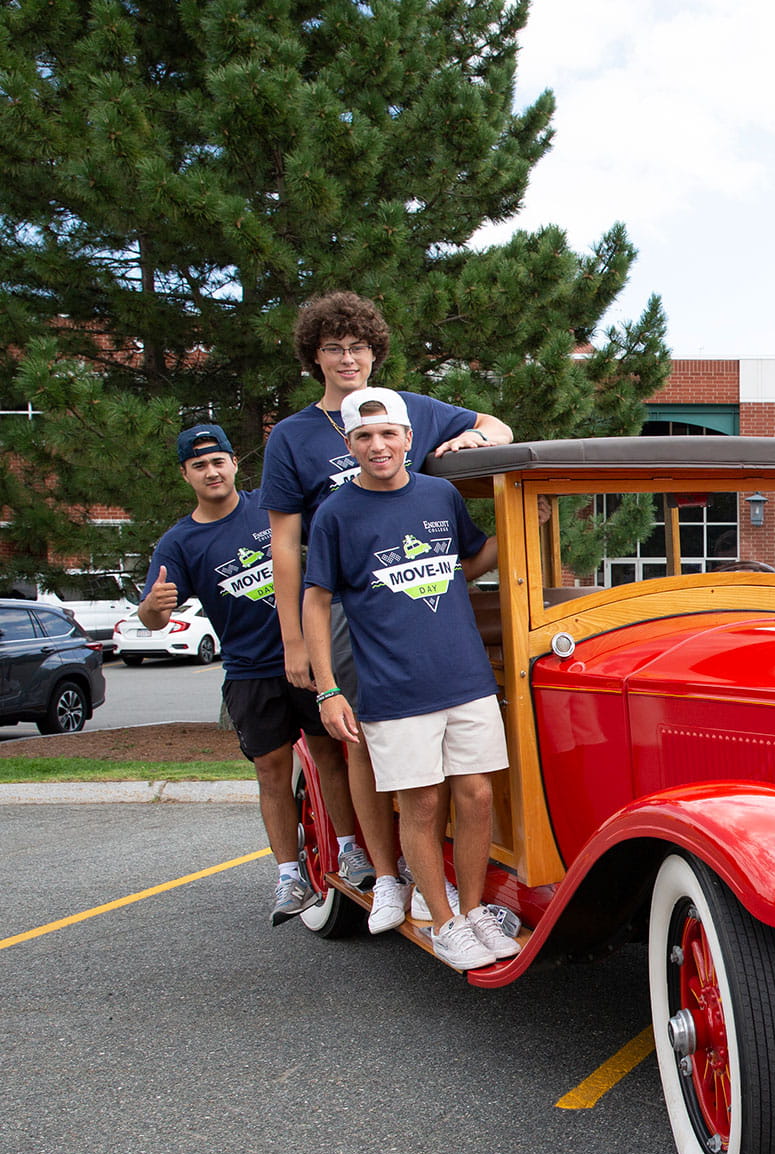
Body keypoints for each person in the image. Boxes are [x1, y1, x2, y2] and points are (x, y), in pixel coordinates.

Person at [259, 291, 512, 925]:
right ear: (313, 356)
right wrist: (293, 636)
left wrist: (469, 440)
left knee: (446, 757)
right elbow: (286, 544)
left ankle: (439, 875)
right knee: (367, 741)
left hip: (422, 596)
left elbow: (499, 428)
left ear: (375, 353)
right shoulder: (292, 436)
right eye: (334, 348)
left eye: (359, 347)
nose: (348, 358)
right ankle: (390, 873)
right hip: (348, 598)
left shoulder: (413, 411)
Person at [301, 389, 517, 973]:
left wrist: (521, 529)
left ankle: (470, 912)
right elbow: (316, 601)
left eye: (388, 434)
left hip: (465, 676)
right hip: (391, 687)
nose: (378, 445)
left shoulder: (439, 493)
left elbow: (463, 562)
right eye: (364, 437)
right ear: (350, 445)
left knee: (474, 797)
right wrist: (328, 688)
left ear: (407, 439)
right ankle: (442, 924)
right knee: (420, 804)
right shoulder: (336, 514)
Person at [138, 425, 352, 925]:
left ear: (235, 464)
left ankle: (350, 851)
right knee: (272, 772)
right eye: (199, 466)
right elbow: (153, 617)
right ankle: (288, 876)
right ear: (185, 475)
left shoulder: (271, 509)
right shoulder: (179, 542)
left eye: (219, 461)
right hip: (250, 672)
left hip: (311, 660)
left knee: (330, 754)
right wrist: (153, 607)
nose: (212, 472)